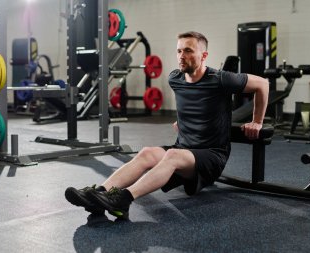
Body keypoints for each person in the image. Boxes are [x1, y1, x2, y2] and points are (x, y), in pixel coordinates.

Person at [65, 31, 269, 219]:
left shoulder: (221, 79)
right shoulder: (175, 78)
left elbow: (262, 84)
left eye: (188, 50)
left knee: (171, 155)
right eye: (179, 51)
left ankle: (124, 199)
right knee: (147, 153)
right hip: (184, 151)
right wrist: (184, 122)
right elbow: (195, 103)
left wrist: (257, 121)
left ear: (204, 56)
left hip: (212, 157)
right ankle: (100, 193)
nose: (181, 56)